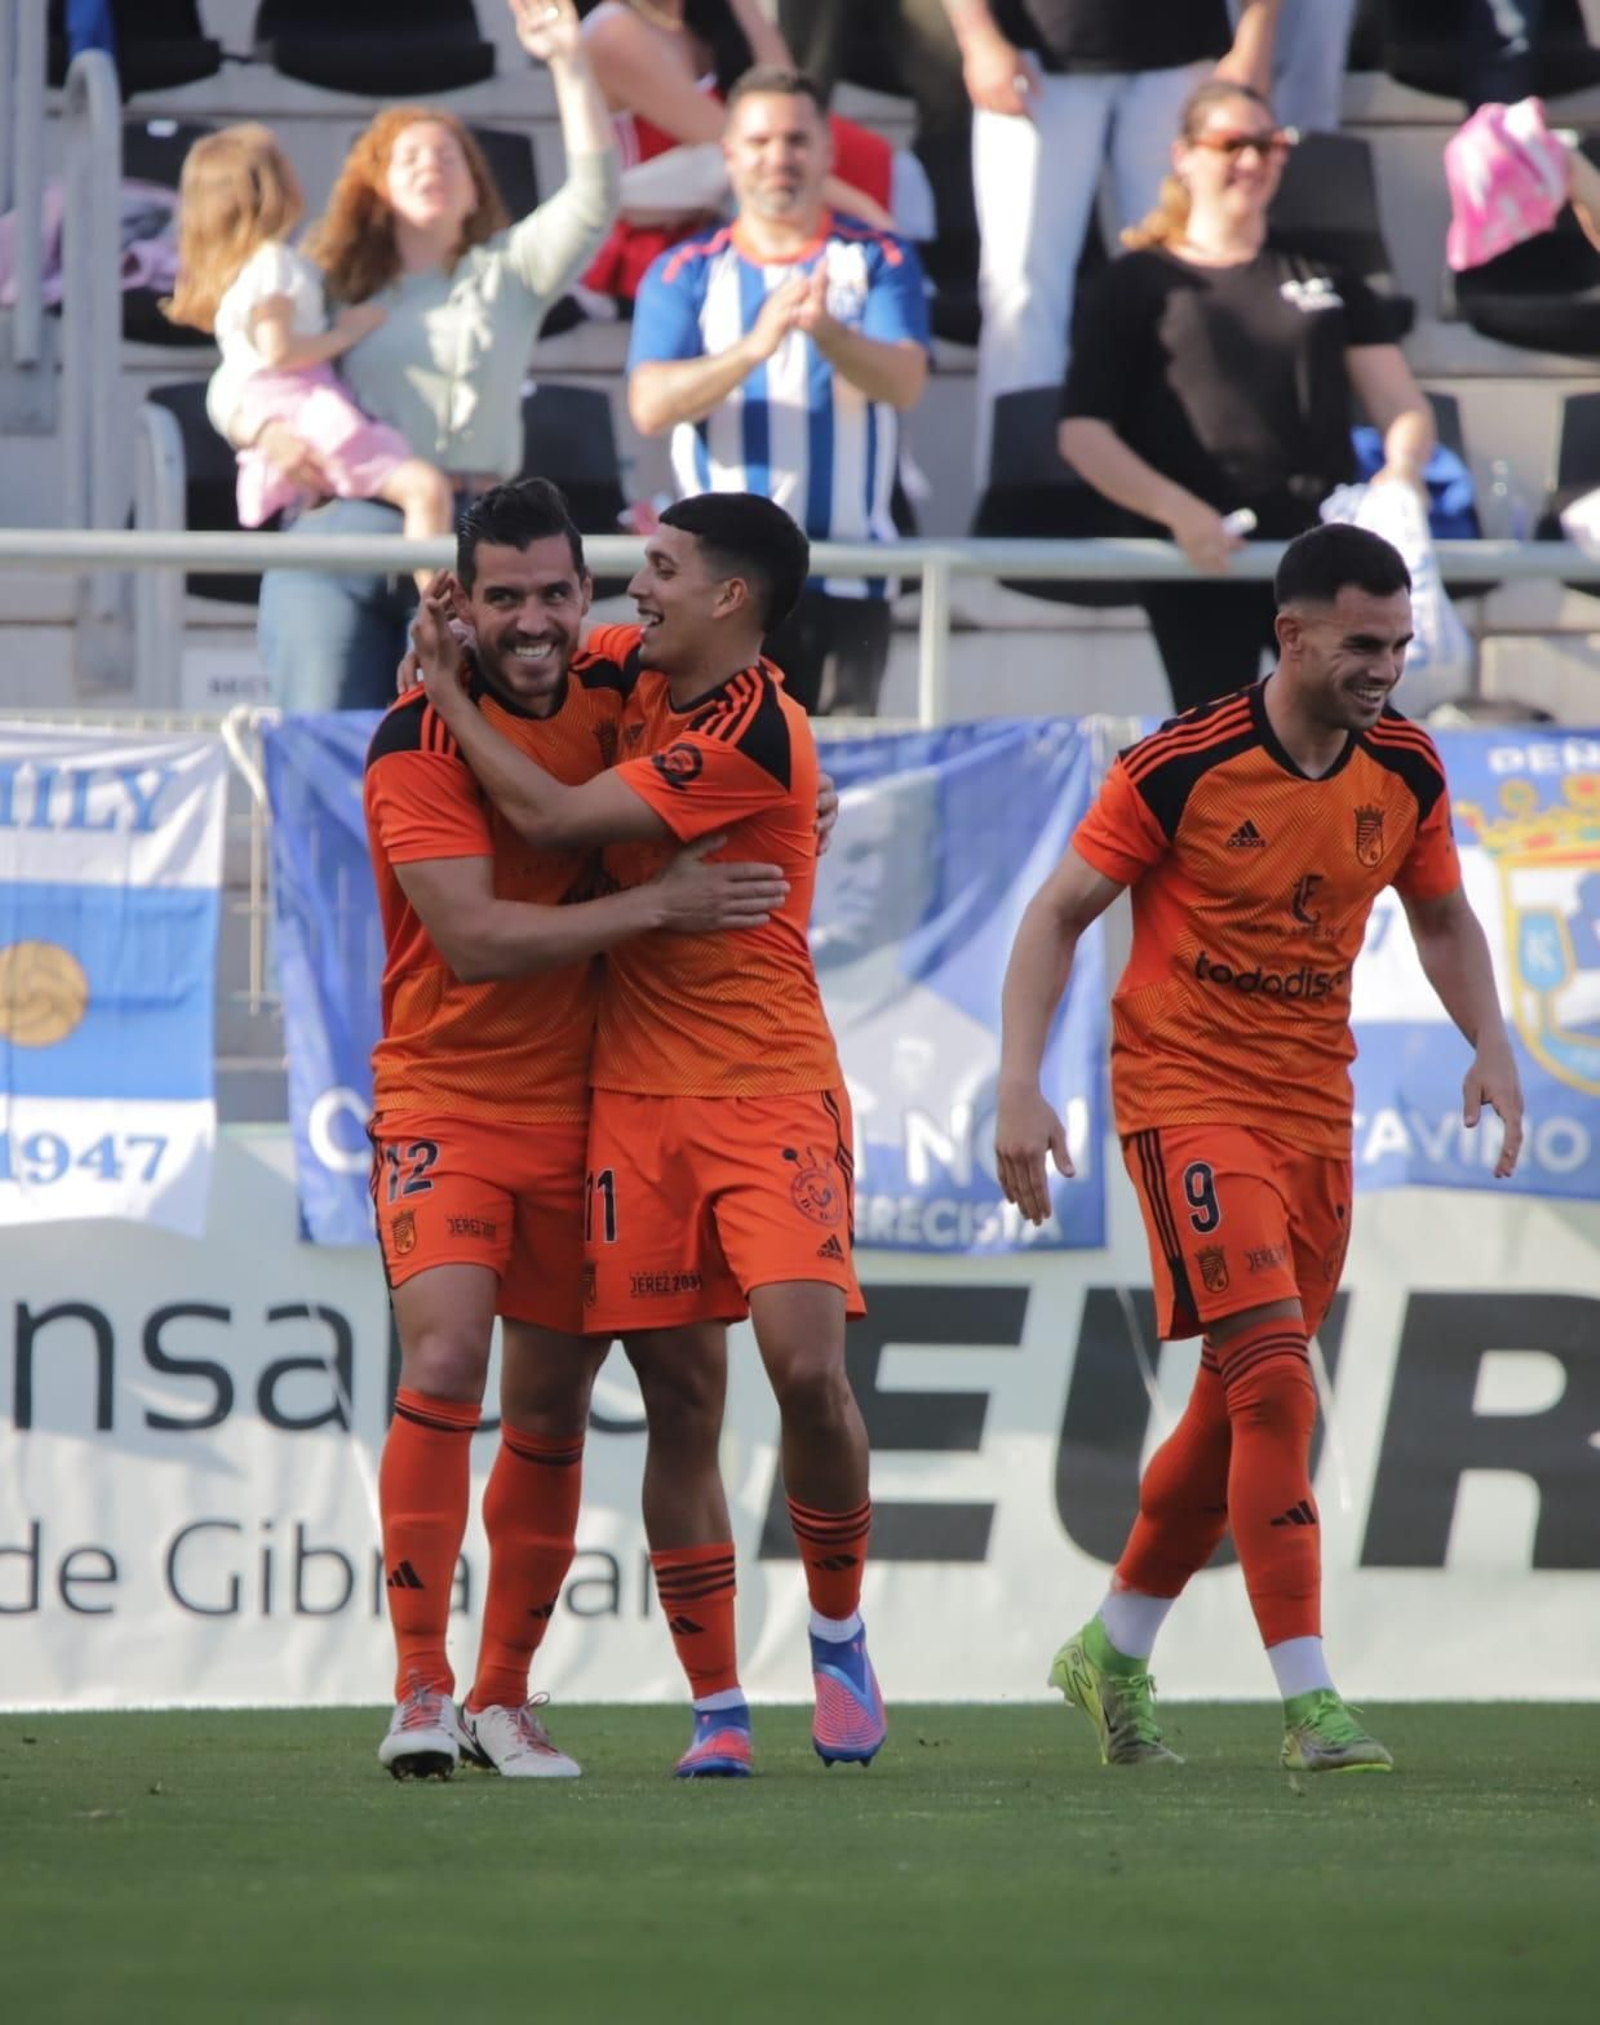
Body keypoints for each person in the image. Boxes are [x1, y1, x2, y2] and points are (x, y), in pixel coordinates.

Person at [994, 522, 1524, 1774]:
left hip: (1309, 1113)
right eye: (1361, 642)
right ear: (1289, 636)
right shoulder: (1178, 765)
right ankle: (1310, 1702)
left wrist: (1490, 1041)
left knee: (1240, 1405)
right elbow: (1057, 914)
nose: (1386, 665)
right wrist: (1019, 1082)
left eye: (1398, 642)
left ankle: (1112, 1646)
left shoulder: (1404, 767)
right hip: (1185, 1099)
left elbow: (1440, 916)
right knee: (1279, 1377)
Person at [413, 491, 886, 1776]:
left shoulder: (755, 724)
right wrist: (460, 636)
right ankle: (718, 1710)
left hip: (770, 1085)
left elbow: (562, 825)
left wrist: (449, 708)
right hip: (630, 1095)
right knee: (679, 1398)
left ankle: (837, 1633)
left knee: (806, 1371)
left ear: (729, 596)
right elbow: (536, 653)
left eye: (661, 569)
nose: (636, 588)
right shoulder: (632, 667)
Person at [248, 0, 619, 713]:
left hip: (479, 535)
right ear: (377, 189)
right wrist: (262, 429)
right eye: (409, 156)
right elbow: (242, 372)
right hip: (342, 529)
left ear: (476, 189)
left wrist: (570, 63)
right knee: (321, 742)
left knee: (457, 751)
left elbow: (596, 197)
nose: (431, 166)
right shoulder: (324, 283)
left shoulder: (508, 272)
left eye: (449, 156)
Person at [1058, 76, 1434, 712]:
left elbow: (1402, 406)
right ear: (1184, 156)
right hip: (1203, 557)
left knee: (1358, 740)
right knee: (1222, 750)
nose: (1253, 161)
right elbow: (1084, 434)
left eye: (1270, 144)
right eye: (1232, 144)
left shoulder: (1323, 273)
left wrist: (1401, 474)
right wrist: (1178, 513)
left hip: (1320, 556)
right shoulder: (1135, 283)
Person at [627, 67, 931, 717]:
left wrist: (828, 335)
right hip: (715, 587)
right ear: (730, 153)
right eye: (760, 142)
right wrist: (751, 349)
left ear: (827, 150)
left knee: (837, 781)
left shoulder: (879, 257)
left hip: (848, 572)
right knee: (714, 772)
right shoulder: (687, 269)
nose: (779, 159)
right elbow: (649, 404)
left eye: (796, 140)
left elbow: (905, 381)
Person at [939, 0, 1283, 483]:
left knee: (1179, 278)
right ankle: (1021, 488)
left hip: (1180, 52)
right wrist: (977, 36)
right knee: (1020, 288)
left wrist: (1255, 37)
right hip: (1033, 49)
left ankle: (1171, 466)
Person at [164, 124, 452, 590]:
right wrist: (346, 333)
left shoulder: (246, 270)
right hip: (301, 405)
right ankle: (438, 612)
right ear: (273, 187)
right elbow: (279, 351)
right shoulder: (274, 264)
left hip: (283, 409)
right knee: (424, 488)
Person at [576, 0, 906, 310]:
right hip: (656, 236)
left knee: (862, 151)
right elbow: (740, 148)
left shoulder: (696, 22)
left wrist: (745, 8)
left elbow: (788, 102)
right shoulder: (613, 32)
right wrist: (864, 210)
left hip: (730, 211)